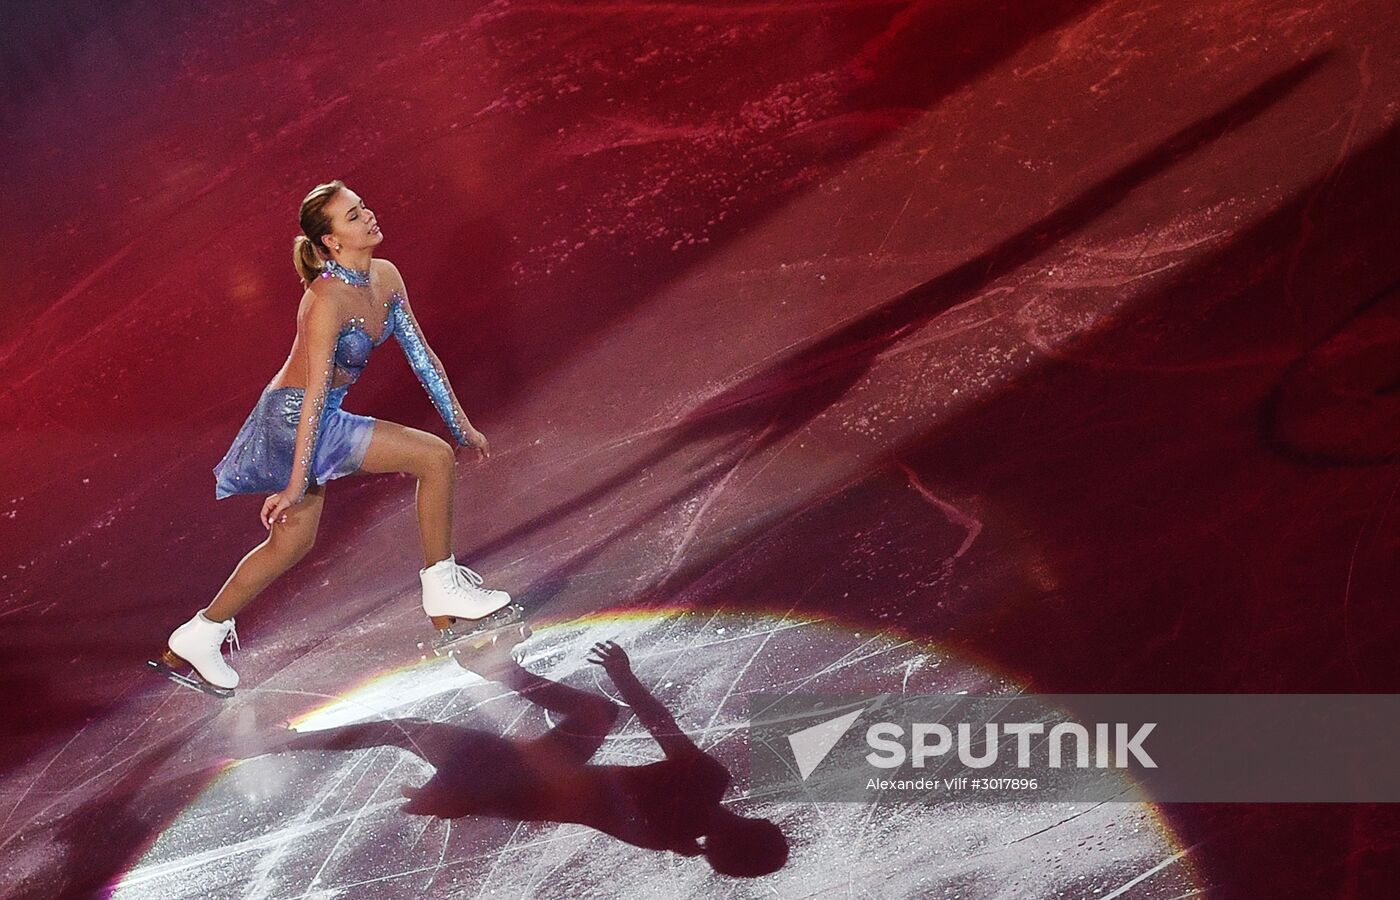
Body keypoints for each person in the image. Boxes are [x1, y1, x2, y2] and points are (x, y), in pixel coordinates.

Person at [152, 179, 517, 695]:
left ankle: (198, 635)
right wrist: (297, 483)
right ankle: (441, 590)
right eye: (353, 216)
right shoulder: (323, 302)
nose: (368, 216)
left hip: (322, 417)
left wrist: (462, 427)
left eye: (363, 207)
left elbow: (424, 359)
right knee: (421, 466)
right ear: (330, 242)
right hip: (291, 421)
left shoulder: (385, 277)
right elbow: (315, 398)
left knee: (296, 541)